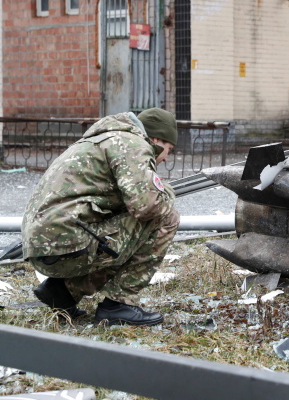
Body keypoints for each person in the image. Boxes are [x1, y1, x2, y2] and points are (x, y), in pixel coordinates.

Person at [21, 108, 180, 326]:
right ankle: (119, 304)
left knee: (125, 229)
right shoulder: (133, 144)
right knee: (165, 217)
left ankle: (63, 292)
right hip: (67, 245)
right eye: (168, 149)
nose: (165, 158)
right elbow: (147, 207)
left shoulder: (102, 140)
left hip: (44, 247)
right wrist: (166, 193)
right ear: (157, 139)